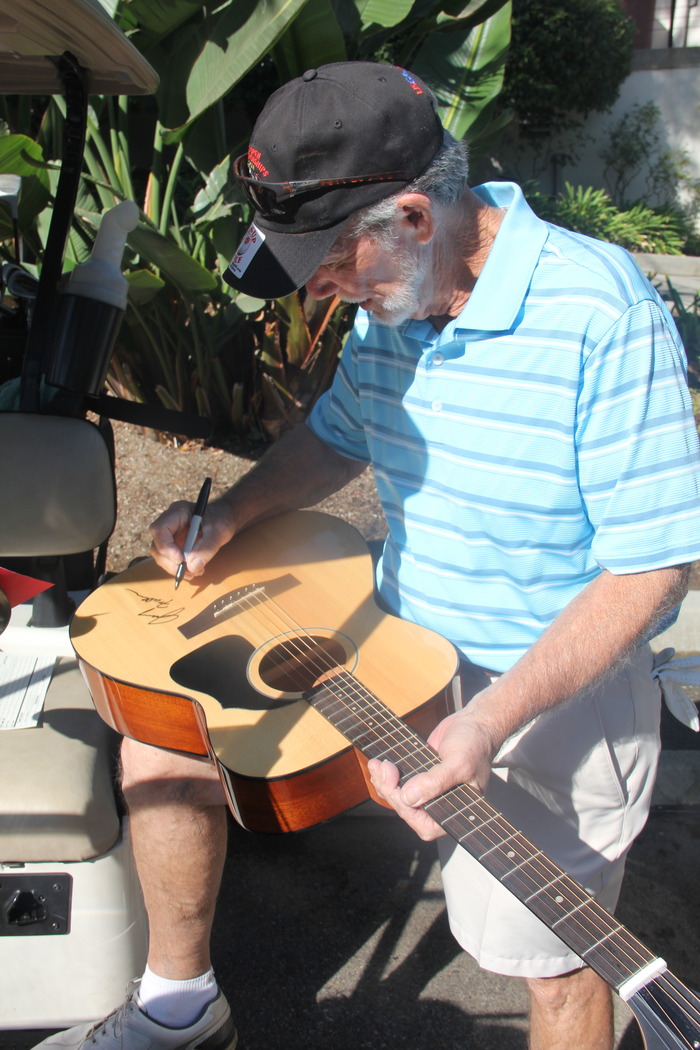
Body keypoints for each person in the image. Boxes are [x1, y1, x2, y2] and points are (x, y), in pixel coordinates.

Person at [37, 61, 700, 1050]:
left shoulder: (598, 314)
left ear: (414, 219)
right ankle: (178, 1007)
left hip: (541, 685)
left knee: (545, 955)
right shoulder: (395, 304)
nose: (320, 292)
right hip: (390, 651)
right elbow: (342, 431)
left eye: (333, 264)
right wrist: (235, 516)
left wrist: (487, 720)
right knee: (164, 734)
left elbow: (651, 570)